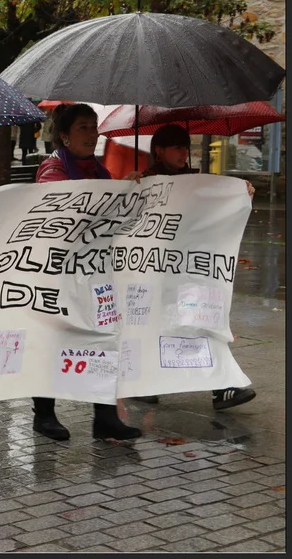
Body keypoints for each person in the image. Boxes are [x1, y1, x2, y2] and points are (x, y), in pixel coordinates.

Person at [31, 103, 144, 441]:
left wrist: (126, 191)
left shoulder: (101, 172)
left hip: (94, 273)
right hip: (58, 273)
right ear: (64, 136)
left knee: (103, 336)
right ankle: (44, 415)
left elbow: (109, 219)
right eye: (83, 127)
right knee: (52, 339)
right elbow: (64, 215)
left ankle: (105, 417)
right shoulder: (52, 170)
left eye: (94, 127)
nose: (92, 134)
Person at [134, 123, 258, 411]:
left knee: (204, 322)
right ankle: (141, 381)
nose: (183, 153)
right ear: (159, 150)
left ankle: (222, 386)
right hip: (154, 272)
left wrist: (238, 193)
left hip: (189, 271)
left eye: (185, 147)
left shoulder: (195, 180)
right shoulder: (146, 182)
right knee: (152, 327)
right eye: (177, 147)